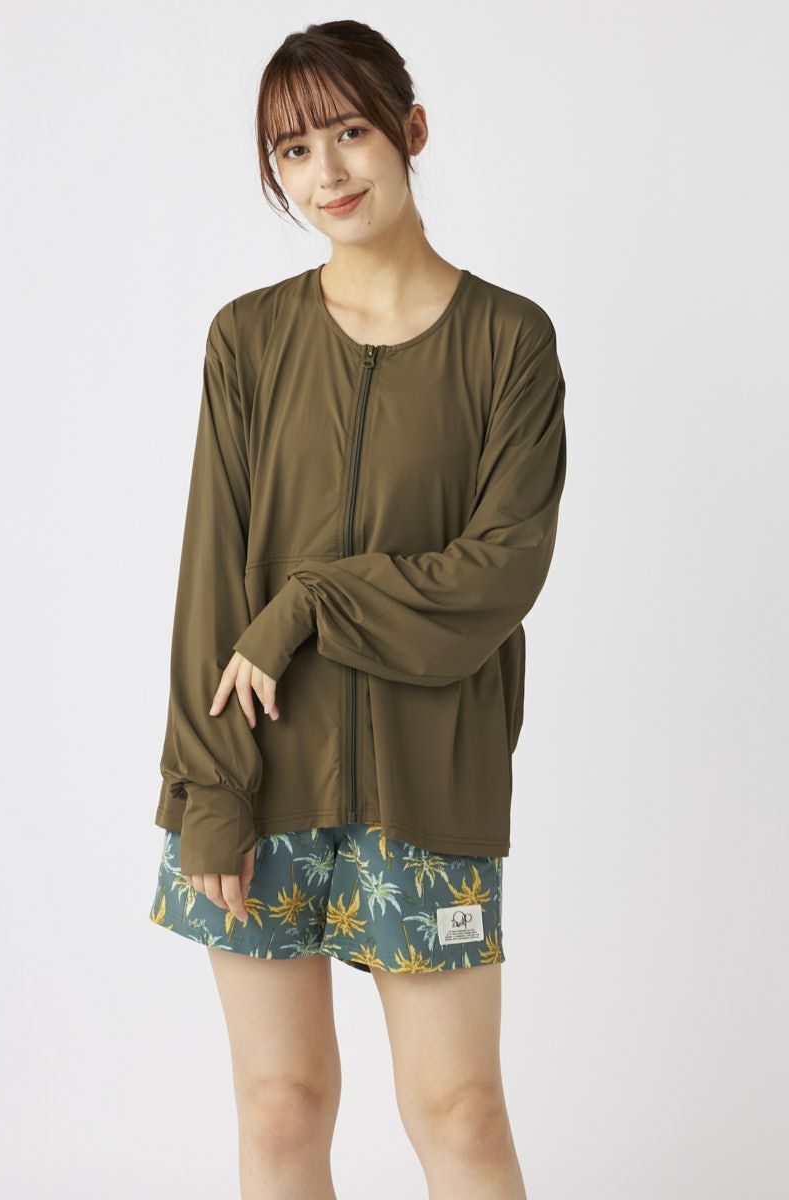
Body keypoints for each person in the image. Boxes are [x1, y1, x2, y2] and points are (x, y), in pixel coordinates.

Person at [148, 19, 567, 1199]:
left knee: (461, 1113)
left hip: (428, 783)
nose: (325, 173)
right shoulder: (247, 340)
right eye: (291, 151)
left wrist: (313, 599)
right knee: (280, 1106)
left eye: (348, 133)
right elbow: (210, 582)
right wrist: (209, 795)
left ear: (410, 130)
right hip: (256, 773)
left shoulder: (509, 343)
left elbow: (499, 572)